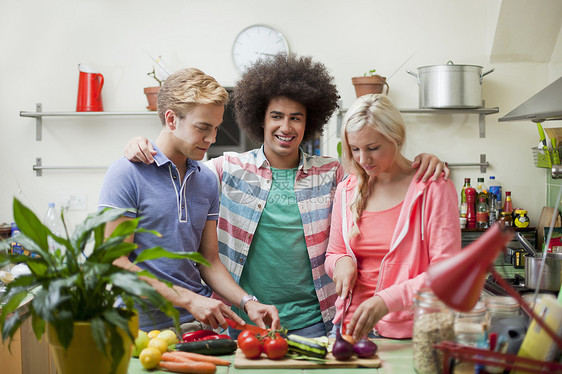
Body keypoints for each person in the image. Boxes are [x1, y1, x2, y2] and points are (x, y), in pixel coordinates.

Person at [124, 53, 449, 338]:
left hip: (316, 322)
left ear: (309, 124)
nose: (286, 126)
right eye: (276, 116)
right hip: (245, 321)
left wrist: (425, 160)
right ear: (260, 120)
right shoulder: (226, 170)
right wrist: (141, 143)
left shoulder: (333, 174)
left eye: (296, 118)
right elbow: (179, 159)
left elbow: (378, 172)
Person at [99, 68, 279, 334]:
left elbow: (209, 260)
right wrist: (189, 299)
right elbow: (114, 264)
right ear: (172, 119)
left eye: (216, 128)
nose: (212, 139)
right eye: (203, 128)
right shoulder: (126, 173)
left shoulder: (206, 181)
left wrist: (248, 302)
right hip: (138, 328)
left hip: (196, 326)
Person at [324, 94, 461, 341]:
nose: (363, 160)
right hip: (350, 330)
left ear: (396, 138)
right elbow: (333, 253)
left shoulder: (433, 188)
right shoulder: (347, 189)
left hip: (413, 333)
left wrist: (385, 302)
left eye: (373, 148)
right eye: (355, 149)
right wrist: (341, 262)